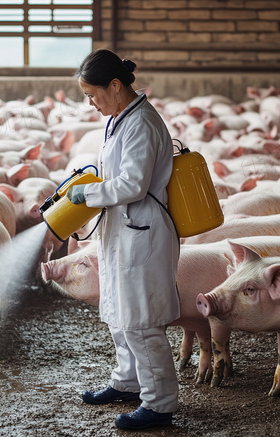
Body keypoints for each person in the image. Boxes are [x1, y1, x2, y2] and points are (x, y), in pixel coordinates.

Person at [66, 48, 181, 431]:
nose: (91, 103)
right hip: (124, 229)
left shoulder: (142, 123)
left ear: (115, 86)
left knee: (141, 319)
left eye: (93, 95)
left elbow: (133, 184)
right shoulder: (120, 118)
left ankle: (159, 404)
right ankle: (128, 382)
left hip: (143, 231)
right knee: (119, 311)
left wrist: (90, 194)